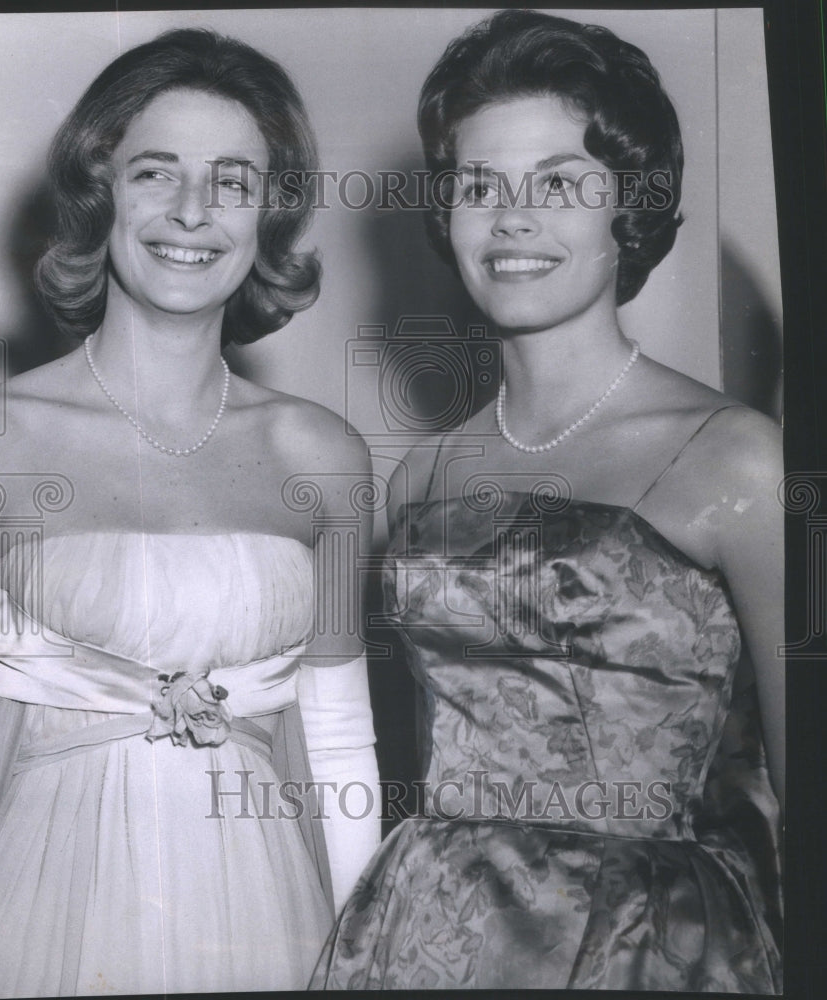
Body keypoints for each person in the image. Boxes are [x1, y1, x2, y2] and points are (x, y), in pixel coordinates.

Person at [311, 9, 782, 992]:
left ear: (630, 206)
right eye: (479, 185)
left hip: (654, 947)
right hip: (426, 934)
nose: (512, 217)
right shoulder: (422, 476)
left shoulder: (736, 458)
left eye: (559, 183)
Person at [0, 28, 380, 997]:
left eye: (232, 181)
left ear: (271, 213)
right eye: (154, 173)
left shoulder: (325, 457)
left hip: (269, 918)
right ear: (101, 193)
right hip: (26, 912)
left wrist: (362, 968)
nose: (191, 212)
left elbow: (340, 741)